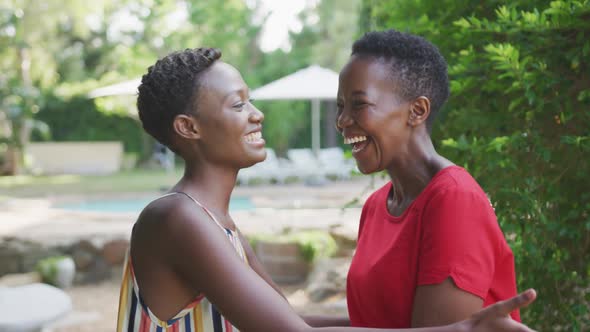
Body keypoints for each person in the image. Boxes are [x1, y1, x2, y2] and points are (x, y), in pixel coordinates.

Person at [117, 47, 536, 332]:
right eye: (239, 104)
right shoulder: (176, 218)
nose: (258, 115)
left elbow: (289, 319)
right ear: (188, 127)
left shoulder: (216, 223)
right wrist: (456, 330)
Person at [336, 30, 524, 328]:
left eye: (358, 105)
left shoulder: (454, 199)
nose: (342, 120)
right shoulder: (376, 206)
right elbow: (371, 323)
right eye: (340, 106)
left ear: (417, 111)